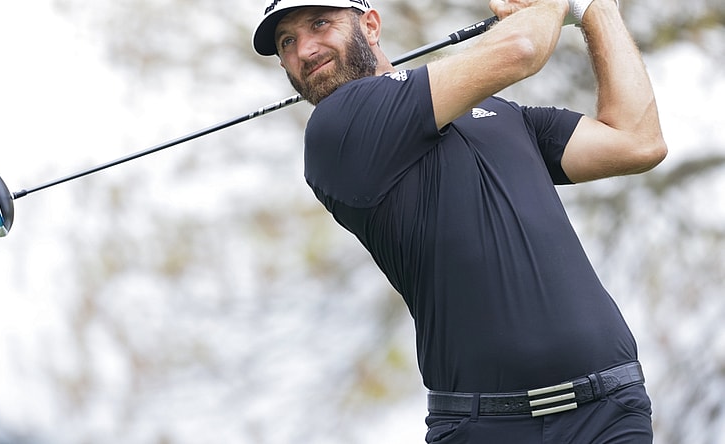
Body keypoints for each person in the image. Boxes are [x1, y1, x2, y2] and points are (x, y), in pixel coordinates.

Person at [252, 0, 667, 441]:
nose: (306, 49)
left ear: (370, 26)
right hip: (486, 426)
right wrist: (555, 4)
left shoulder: (498, 113)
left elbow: (637, 142)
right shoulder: (336, 127)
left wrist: (597, 10)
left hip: (609, 409)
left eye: (320, 24)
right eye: (287, 42)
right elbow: (522, 46)